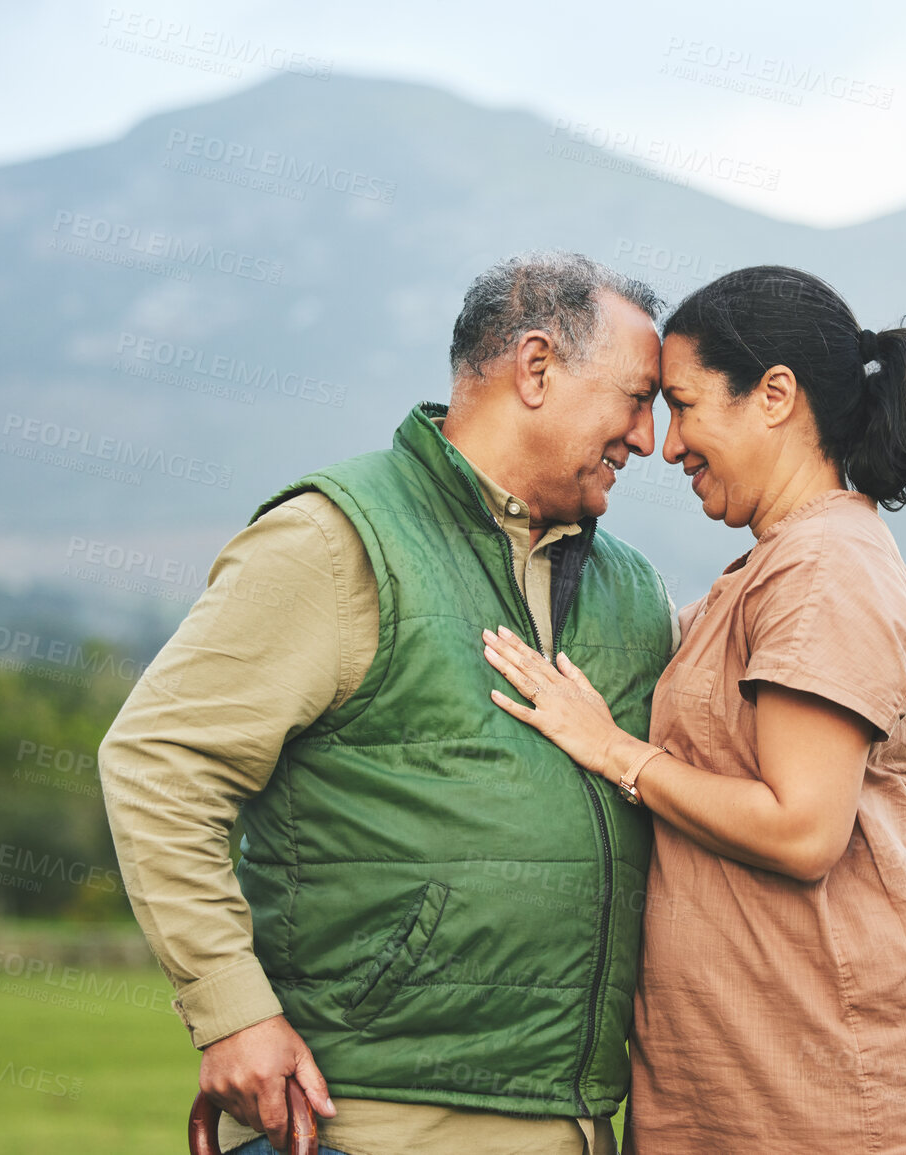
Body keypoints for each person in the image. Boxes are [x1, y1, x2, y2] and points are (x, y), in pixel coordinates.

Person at [99, 252, 680, 1155]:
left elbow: (712, 768)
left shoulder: (634, 589)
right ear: (535, 369)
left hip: (583, 1128)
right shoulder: (331, 540)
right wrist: (230, 1012)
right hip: (368, 1126)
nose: (647, 439)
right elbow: (159, 760)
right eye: (636, 398)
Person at [481, 265, 906, 1152]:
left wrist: (615, 753)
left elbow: (801, 831)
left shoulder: (822, 568)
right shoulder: (772, 568)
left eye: (682, 404)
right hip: (759, 1082)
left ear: (774, 396)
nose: (668, 444)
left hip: (833, 1095)